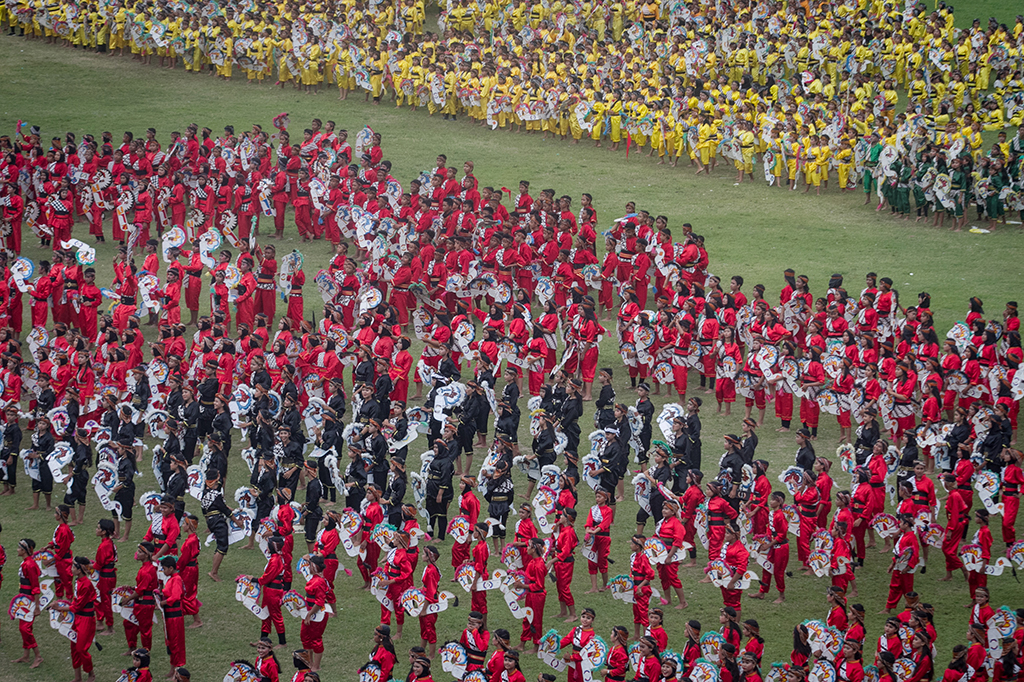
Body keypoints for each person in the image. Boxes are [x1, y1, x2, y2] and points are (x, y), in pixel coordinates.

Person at [48, 556, 98, 682]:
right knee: (74, 647)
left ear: (80, 569)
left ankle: (91, 673)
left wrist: (60, 607)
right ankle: (78, 678)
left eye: (73, 567)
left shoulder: (85, 584)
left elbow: (76, 606)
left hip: (86, 619)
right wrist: (64, 610)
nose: (71, 568)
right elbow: (75, 603)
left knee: (81, 649)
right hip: (79, 618)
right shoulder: (78, 581)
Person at [122, 541, 159, 655]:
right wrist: (132, 588)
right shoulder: (145, 568)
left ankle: (145, 651)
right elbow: (141, 587)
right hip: (141, 602)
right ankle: (132, 647)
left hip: (145, 604)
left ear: (146, 554)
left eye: (139, 552)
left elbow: (141, 590)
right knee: (129, 623)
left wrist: (128, 599)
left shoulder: (148, 570)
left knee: (145, 629)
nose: (137, 554)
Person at [11, 538, 43, 668]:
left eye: (19, 548)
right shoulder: (26, 563)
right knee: (23, 627)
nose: (17, 550)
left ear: (25, 551)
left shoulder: (29, 565)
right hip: (24, 600)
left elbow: (35, 587)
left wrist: (36, 607)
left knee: (25, 628)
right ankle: (26, 655)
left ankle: (38, 656)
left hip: (29, 601)